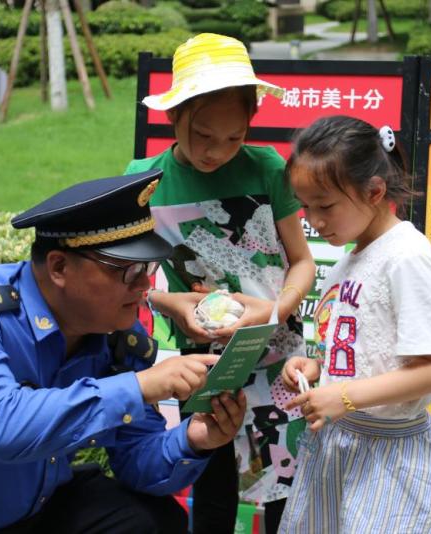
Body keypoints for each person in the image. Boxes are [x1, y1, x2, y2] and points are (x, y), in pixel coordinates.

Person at [0, 170, 247, 534]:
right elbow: (1, 426)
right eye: (127, 270)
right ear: (59, 267)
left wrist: (193, 440)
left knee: (151, 521)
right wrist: (139, 387)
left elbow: (136, 460)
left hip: (26, 515)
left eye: (148, 268)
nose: (144, 287)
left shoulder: (116, 336)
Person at [125, 33, 315, 534]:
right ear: (174, 115)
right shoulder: (144, 180)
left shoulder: (268, 168)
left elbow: (302, 262)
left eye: (234, 138)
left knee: (284, 489)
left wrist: (273, 311)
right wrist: (174, 304)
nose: (217, 151)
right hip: (205, 358)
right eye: (203, 135)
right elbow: (133, 283)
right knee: (212, 484)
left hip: (279, 353)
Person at [278, 116, 431, 532]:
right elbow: (363, 350)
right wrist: (316, 370)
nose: (314, 221)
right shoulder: (347, 260)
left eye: (325, 206)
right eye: (306, 206)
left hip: (390, 460)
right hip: (341, 450)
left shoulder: (407, 257)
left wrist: (343, 396)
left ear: (375, 191)